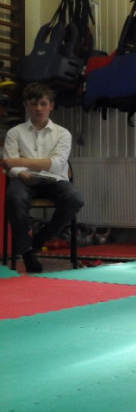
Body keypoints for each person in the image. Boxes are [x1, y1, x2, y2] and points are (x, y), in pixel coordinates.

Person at [2, 82, 84, 273]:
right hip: (23, 179)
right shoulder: (15, 132)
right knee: (14, 198)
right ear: (26, 105)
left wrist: (18, 161)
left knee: (75, 199)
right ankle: (27, 251)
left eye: (43, 103)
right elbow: (9, 166)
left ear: (51, 105)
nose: (38, 108)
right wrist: (19, 171)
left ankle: (39, 240)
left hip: (54, 180)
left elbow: (55, 164)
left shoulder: (62, 133)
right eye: (33, 104)